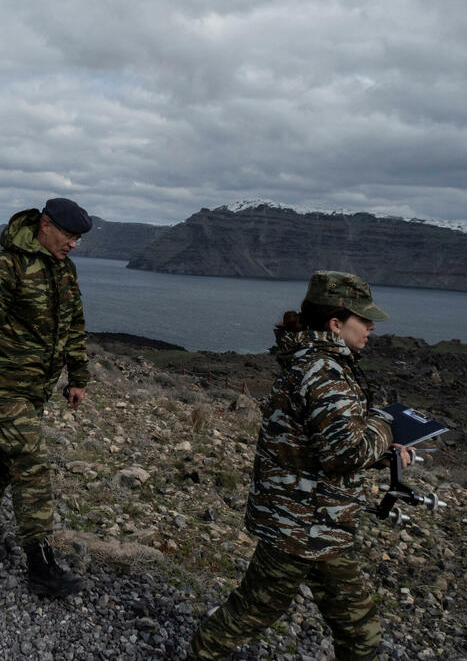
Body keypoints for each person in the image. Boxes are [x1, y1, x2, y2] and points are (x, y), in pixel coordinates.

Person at [189, 270, 413, 660]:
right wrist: (385, 428)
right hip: (302, 524)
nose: (372, 327)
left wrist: (380, 448)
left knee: (358, 627)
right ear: (335, 323)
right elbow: (342, 453)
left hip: (314, 519)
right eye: (364, 319)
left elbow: (318, 445)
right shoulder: (324, 372)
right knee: (252, 612)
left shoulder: (314, 362)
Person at [0, 197, 92, 598]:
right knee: (31, 462)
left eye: (78, 238)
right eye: (68, 235)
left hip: (37, 388)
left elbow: (75, 324)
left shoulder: (65, 269)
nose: (74, 244)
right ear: (45, 225)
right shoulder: (3, 266)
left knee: (3, 457)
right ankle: (41, 565)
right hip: (3, 384)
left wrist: (77, 376)